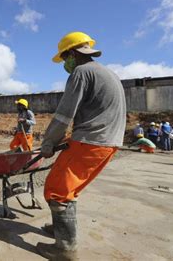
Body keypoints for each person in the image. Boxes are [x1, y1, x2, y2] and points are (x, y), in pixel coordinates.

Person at [36, 32, 126, 260]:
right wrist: (68, 140)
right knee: (70, 188)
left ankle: (64, 248)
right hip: (108, 142)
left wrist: (49, 142)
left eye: (65, 57)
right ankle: (60, 230)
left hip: (92, 142)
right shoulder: (109, 73)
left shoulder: (81, 71)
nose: (65, 63)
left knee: (57, 190)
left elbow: (64, 115)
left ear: (74, 53)